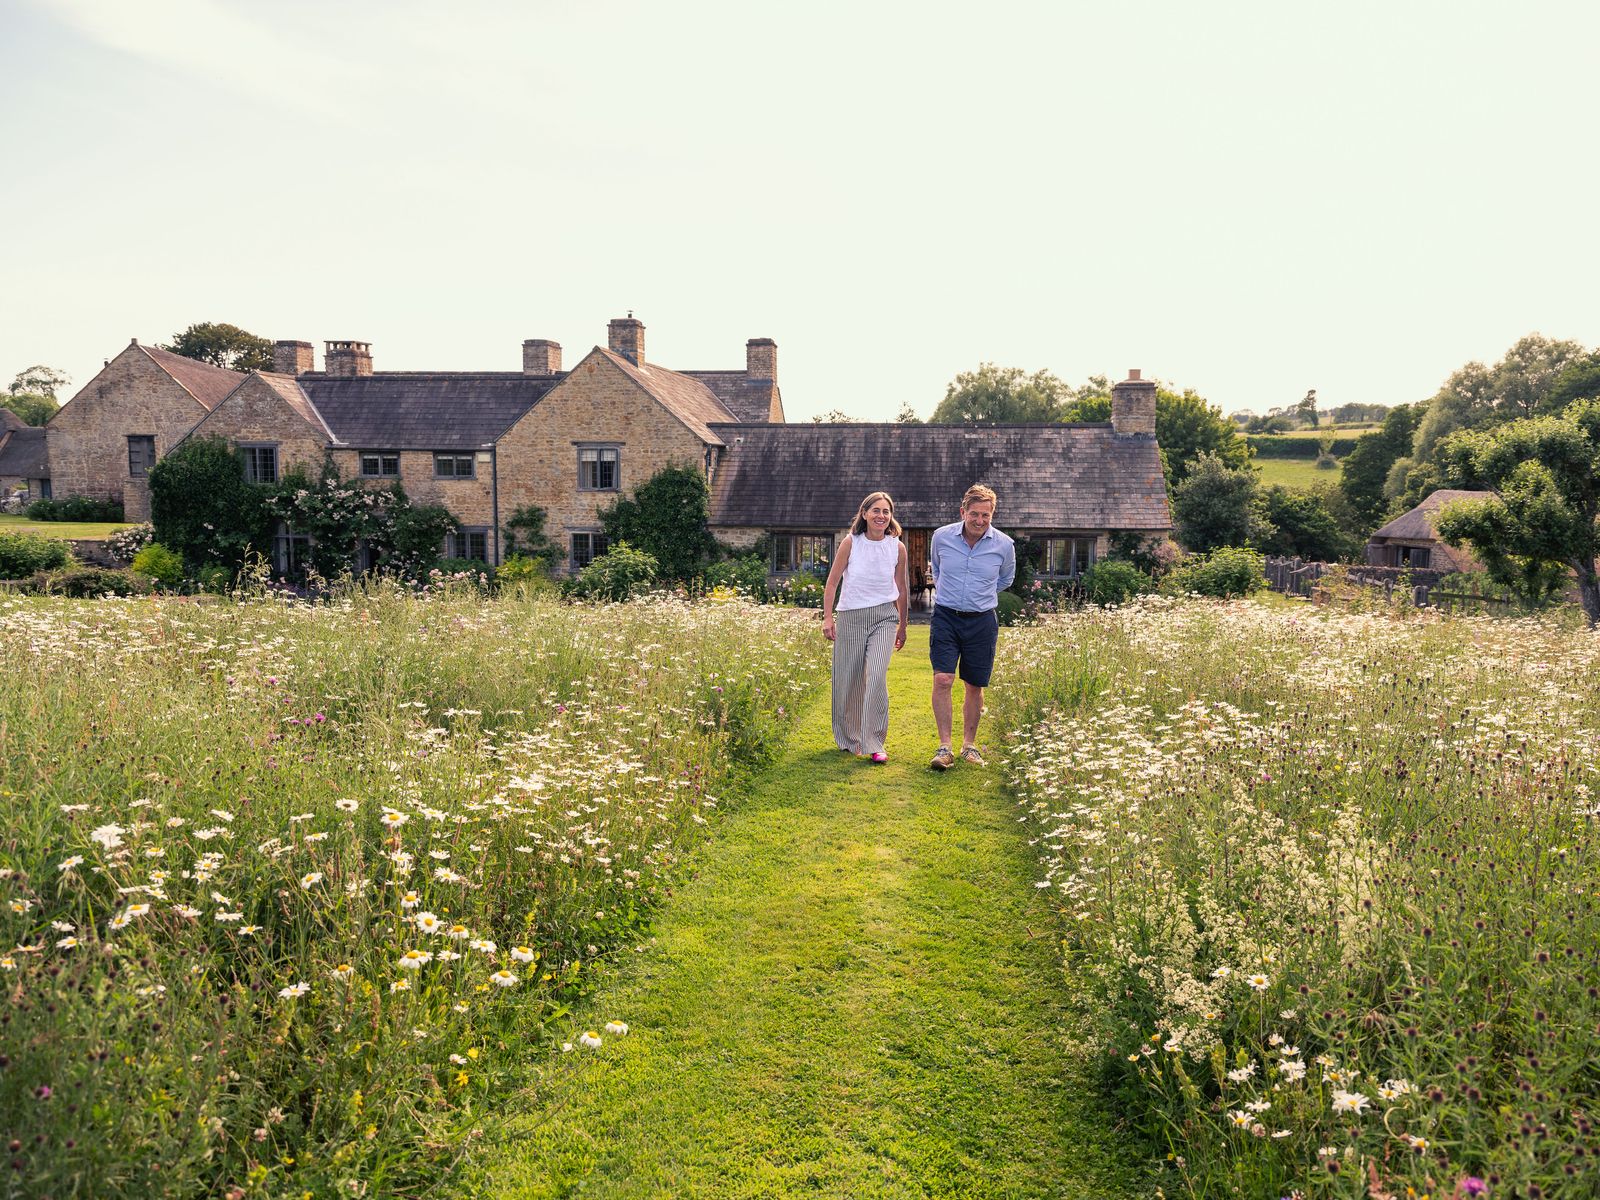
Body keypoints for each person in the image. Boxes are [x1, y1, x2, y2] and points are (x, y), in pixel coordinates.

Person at [927, 483, 1015, 771]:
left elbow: (1005, 579)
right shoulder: (941, 537)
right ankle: (944, 747)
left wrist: (979, 595)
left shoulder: (1004, 545)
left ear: (992, 515)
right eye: (974, 514)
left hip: (981, 621)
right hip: (946, 617)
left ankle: (969, 745)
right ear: (962, 512)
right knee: (943, 679)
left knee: (974, 685)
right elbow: (937, 570)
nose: (979, 520)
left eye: (985, 515)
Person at [821, 491, 910, 763]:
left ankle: (874, 741)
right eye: (876, 510)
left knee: (876, 674)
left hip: (885, 617)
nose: (881, 516)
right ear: (864, 513)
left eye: (886, 511)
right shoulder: (851, 543)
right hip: (851, 616)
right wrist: (827, 617)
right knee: (848, 679)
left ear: (890, 516)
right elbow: (833, 582)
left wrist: (903, 625)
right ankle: (850, 739)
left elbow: (901, 588)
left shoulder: (897, 548)